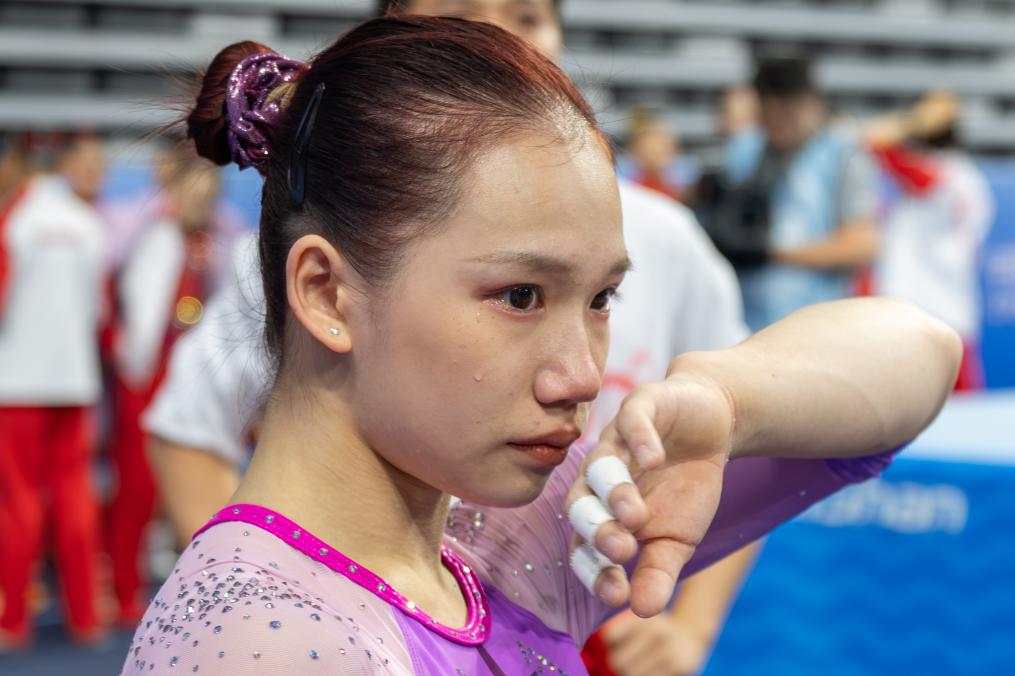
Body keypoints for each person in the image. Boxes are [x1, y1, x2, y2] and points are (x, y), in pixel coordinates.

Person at [121, 15, 960, 675]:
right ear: (326, 292)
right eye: (520, 296)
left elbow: (918, 352)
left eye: (601, 299)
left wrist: (726, 400)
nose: (583, 375)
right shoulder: (271, 641)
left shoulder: (496, 546)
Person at [104, 153, 227, 625]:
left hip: (184, 374)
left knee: (182, 483)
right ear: (175, 193)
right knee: (137, 487)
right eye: (196, 194)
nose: (204, 203)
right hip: (150, 376)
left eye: (210, 194)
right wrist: (136, 373)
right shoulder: (157, 239)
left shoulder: (208, 240)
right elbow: (142, 314)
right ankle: (124, 589)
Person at [0, 132, 107, 647]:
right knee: (75, 498)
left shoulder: (14, 219)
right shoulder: (86, 223)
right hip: (74, 378)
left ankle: (12, 620)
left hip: (16, 383)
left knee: (17, 502)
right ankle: (85, 617)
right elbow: (99, 310)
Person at [708, 56, 880, 332]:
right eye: (769, 114)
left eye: (787, 113)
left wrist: (770, 253)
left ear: (813, 103)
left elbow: (861, 244)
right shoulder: (746, 150)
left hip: (815, 323)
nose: (778, 124)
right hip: (744, 320)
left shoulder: (841, 154)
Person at [866, 91, 994, 391]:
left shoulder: (949, 172)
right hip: (928, 307)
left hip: (937, 306)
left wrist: (911, 122)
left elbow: (876, 144)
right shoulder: (961, 173)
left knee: (961, 406)